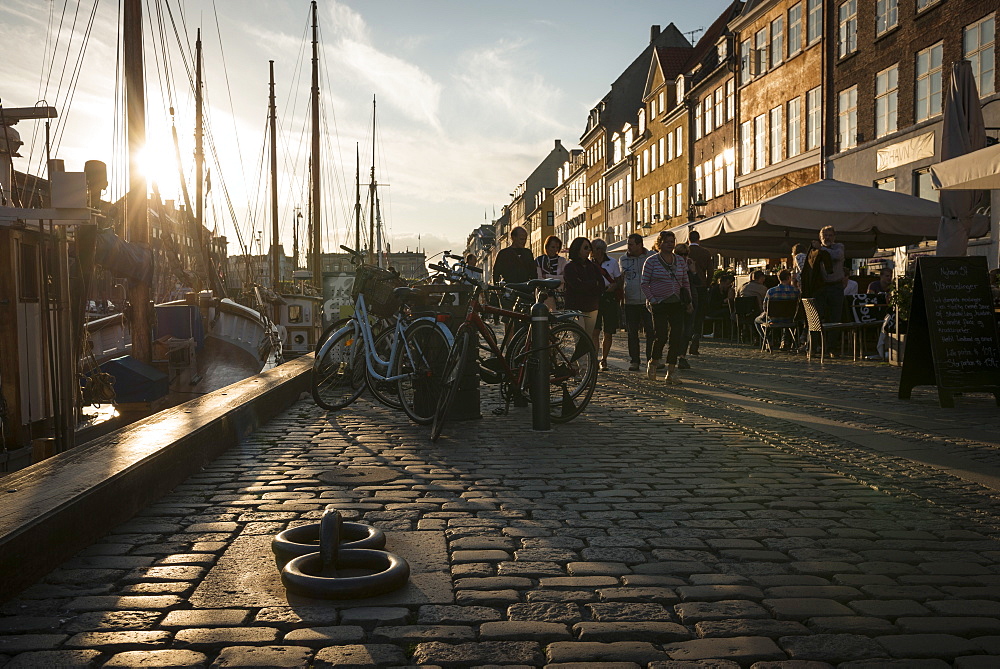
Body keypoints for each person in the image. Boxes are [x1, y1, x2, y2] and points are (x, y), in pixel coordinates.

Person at [641, 230, 692, 385]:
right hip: (660, 303)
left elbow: (685, 282)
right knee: (661, 335)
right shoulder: (651, 261)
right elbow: (644, 283)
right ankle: (653, 362)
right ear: (660, 243)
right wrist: (653, 299)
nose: (670, 244)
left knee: (676, 336)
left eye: (672, 241)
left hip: (676, 302)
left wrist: (689, 301)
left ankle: (671, 371)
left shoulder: (680, 261)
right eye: (667, 242)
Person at [619, 233, 654, 372]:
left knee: (651, 332)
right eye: (628, 244)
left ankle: (652, 359)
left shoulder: (650, 256)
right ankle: (635, 360)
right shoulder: (623, 259)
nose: (629, 247)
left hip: (648, 300)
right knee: (632, 333)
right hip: (630, 300)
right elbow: (621, 278)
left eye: (631, 244)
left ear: (640, 245)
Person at [563, 237, 604, 340]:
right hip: (575, 307)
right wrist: (593, 283)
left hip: (592, 306)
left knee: (589, 338)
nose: (589, 250)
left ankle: (588, 356)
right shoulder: (570, 267)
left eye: (589, 248)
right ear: (577, 249)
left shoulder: (593, 267)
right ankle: (581, 357)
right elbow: (576, 286)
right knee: (580, 337)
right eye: (585, 247)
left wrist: (586, 284)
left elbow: (601, 285)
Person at [591, 238, 622, 370]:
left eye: (593, 249)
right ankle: (594, 358)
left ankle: (604, 359)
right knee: (595, 331)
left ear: (601, 250)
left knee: (608, 331)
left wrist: (614, 286)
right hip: (595, 297)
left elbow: (619, 280)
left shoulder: (612, 263)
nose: (591, 252)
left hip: (609, 298)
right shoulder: (588, 264)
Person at [755, 269, 801, 349]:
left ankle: (768, 341)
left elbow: (765, 308)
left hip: (774, 319)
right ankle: (784, 341)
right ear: (788, 278)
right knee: (785, 316)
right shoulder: (796, 291)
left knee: (757, 321)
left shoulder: (771, 291)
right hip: (790, 319)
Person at [686, 231, 714, 355]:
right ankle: (695, 339)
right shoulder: (705, 253)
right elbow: (711, 272)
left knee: (687, 314)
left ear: (688, 239)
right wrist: (707, 284)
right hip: (701, 286)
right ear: (699, 239)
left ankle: (685, 340)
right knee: (699, 314)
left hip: (686, 286)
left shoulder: (685, 252)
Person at [674, 243, 699, 371]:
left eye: (685, 254)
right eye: (680, 254)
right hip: (677, 301)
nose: (683, 257)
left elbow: (698, 283)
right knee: (679, 329)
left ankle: (682, 356)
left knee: (688, 330)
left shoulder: (689, 267)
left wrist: (693, 271)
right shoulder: (673, 266)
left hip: (691, 300)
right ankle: (675, 355)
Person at [816, 225, 846, 323]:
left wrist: (821, 249)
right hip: (821, 287)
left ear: (834, 237)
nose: (827, 238)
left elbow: (837, 255)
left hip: (835, 287)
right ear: (820, 237)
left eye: (830, 235)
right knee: (819, 317)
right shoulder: (816, 251)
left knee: (835, 317)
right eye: (825, 236)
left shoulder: (838, 247)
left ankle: (833, 338)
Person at [535, 235, 567, 311]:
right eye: (553, 247)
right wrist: (556, 278)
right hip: (544, 295)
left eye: (557, 247)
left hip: (559, 296)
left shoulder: (562, 260)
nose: (555, 250)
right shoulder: (539, 261)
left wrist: (546, 276)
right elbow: (539, 279)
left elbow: (564, 278)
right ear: (547, 247)